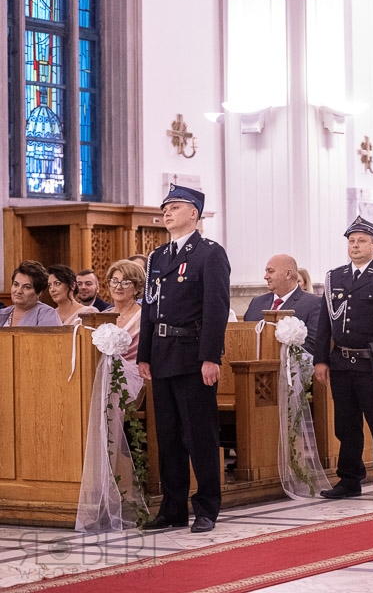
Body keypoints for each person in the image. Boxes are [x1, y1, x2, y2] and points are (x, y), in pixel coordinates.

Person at [138, 184, 231, 533]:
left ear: (194, 213)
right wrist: (144, 354)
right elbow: (150, 307)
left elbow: (216, 308)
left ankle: (207, 506)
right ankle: (172, 508)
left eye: (175, 206)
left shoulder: (209, 253)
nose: (167, 211)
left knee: (199, 434)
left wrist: (210, 356)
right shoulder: (157, 257)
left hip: (193, 356)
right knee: (169, 436)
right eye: (165, 206)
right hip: (162, 356)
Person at [313, 216, 373, 501]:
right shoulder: (335, 277)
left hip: (372, 364)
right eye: (351, 241)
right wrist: (321, 359)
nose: (355, 246)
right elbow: (325, 321)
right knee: (346, 425)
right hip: (341, 362)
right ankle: (349, 479)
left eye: (361, 241)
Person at [243, 254, 320, 352]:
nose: (265, 276)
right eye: (266, 271)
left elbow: (312, 344)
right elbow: (245, 338)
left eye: (270, 271)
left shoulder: (312, 303)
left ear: (288, 274)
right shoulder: (256, 303)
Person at [103, 260, 145, 363]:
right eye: (114, 281)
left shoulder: (144, 317)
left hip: (136, 375)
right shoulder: (102, 316)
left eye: (125, 283)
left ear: (137, 288)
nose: (118, 287)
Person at [0, 261, 63, 327]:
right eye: (16, 284)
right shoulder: (2, 313)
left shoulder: (48, 315)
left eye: (26, 287)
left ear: (39, 292)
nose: (18, 291)